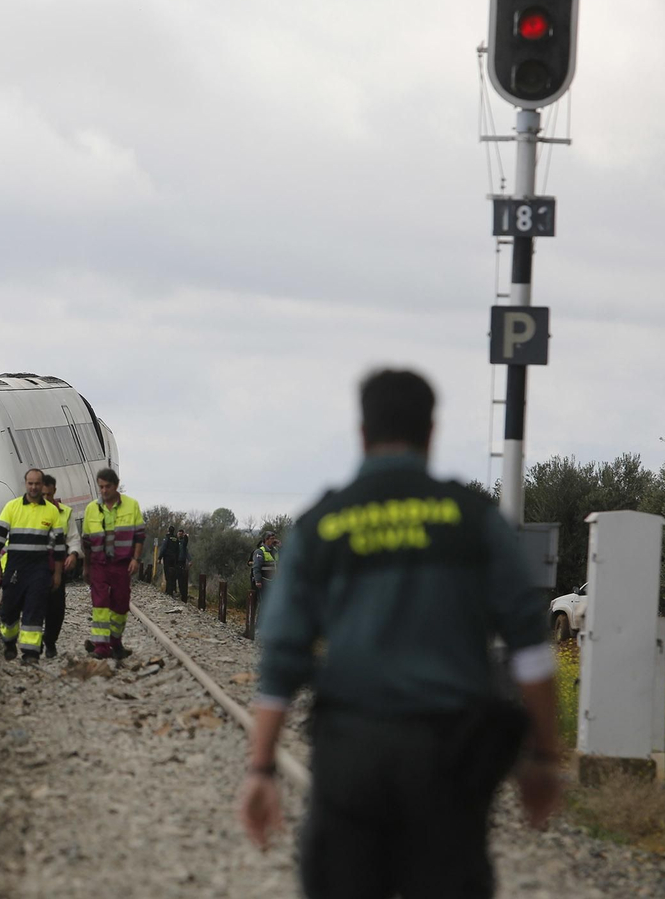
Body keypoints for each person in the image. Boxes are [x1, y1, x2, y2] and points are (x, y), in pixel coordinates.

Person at [236, 369, 561, 899]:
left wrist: (261, 768)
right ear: (431, 432)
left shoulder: (324, 523)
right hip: (451, 759)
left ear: (362, 432)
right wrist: (544, 758)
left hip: (353, 753)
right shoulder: (473, 519)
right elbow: (530, 650)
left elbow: (282, 660)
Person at [0, 468, 65, 665]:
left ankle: (31, 653)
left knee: (35, 609)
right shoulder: (12, 507)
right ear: (26, 484)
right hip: (15, 567)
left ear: (42, 485)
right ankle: (9, 641)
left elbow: (58, 547)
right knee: (9, 611)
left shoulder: (51, 511)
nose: (33, 487)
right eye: (30, 483)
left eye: (37, 484)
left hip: (38, 569)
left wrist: (57, 574)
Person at [81, 467, 145, 661]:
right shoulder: (92, 508)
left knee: (120, 605)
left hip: (121, 564)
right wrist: (86, 567)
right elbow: (86, 541)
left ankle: (115, 641)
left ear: (116, 486)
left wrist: (135, 559)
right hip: (99, 563)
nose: (103, 491)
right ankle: (101, 646)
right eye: (100, 487)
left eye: (107, 487)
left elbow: (139, 536)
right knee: (100, 605)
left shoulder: (131, 506)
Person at [41, 473, 81, 658]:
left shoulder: (65, 512)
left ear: (54, 492)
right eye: (42, 495)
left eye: (49, 495)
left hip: (57, 568)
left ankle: (49, 641)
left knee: (56, 608)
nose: (46, 499)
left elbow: (73, 538)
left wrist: (73, 554)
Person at [161, 526, 188, 601]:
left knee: (170, 576)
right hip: (175, 560)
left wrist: (159, 557)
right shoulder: (175, 540)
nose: (180, 535)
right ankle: (171, 591)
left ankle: (170, 591)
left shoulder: (168, 539)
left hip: (171, 560)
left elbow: (163, 548)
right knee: (172, 576)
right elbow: (178, 550)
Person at [251, 530, 279, 594]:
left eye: (274, 539)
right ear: (266, 540)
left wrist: (281, 547)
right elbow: (256, 566)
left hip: (274, 581)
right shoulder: (260, 551)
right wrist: (258, 580)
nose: (274, 541)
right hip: (264, 581)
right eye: (272, 539)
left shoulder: (275, 551)